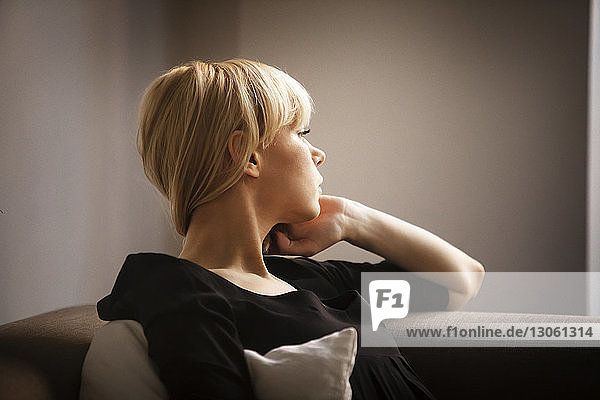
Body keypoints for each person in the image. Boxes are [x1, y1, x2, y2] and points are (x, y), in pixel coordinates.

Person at [97, 59, 485, 399]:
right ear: (246, 155)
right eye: (302, 134)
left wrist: (352, 219)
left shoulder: (308, 281)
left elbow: (461, 280)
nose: (319, 154)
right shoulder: (182, 294)